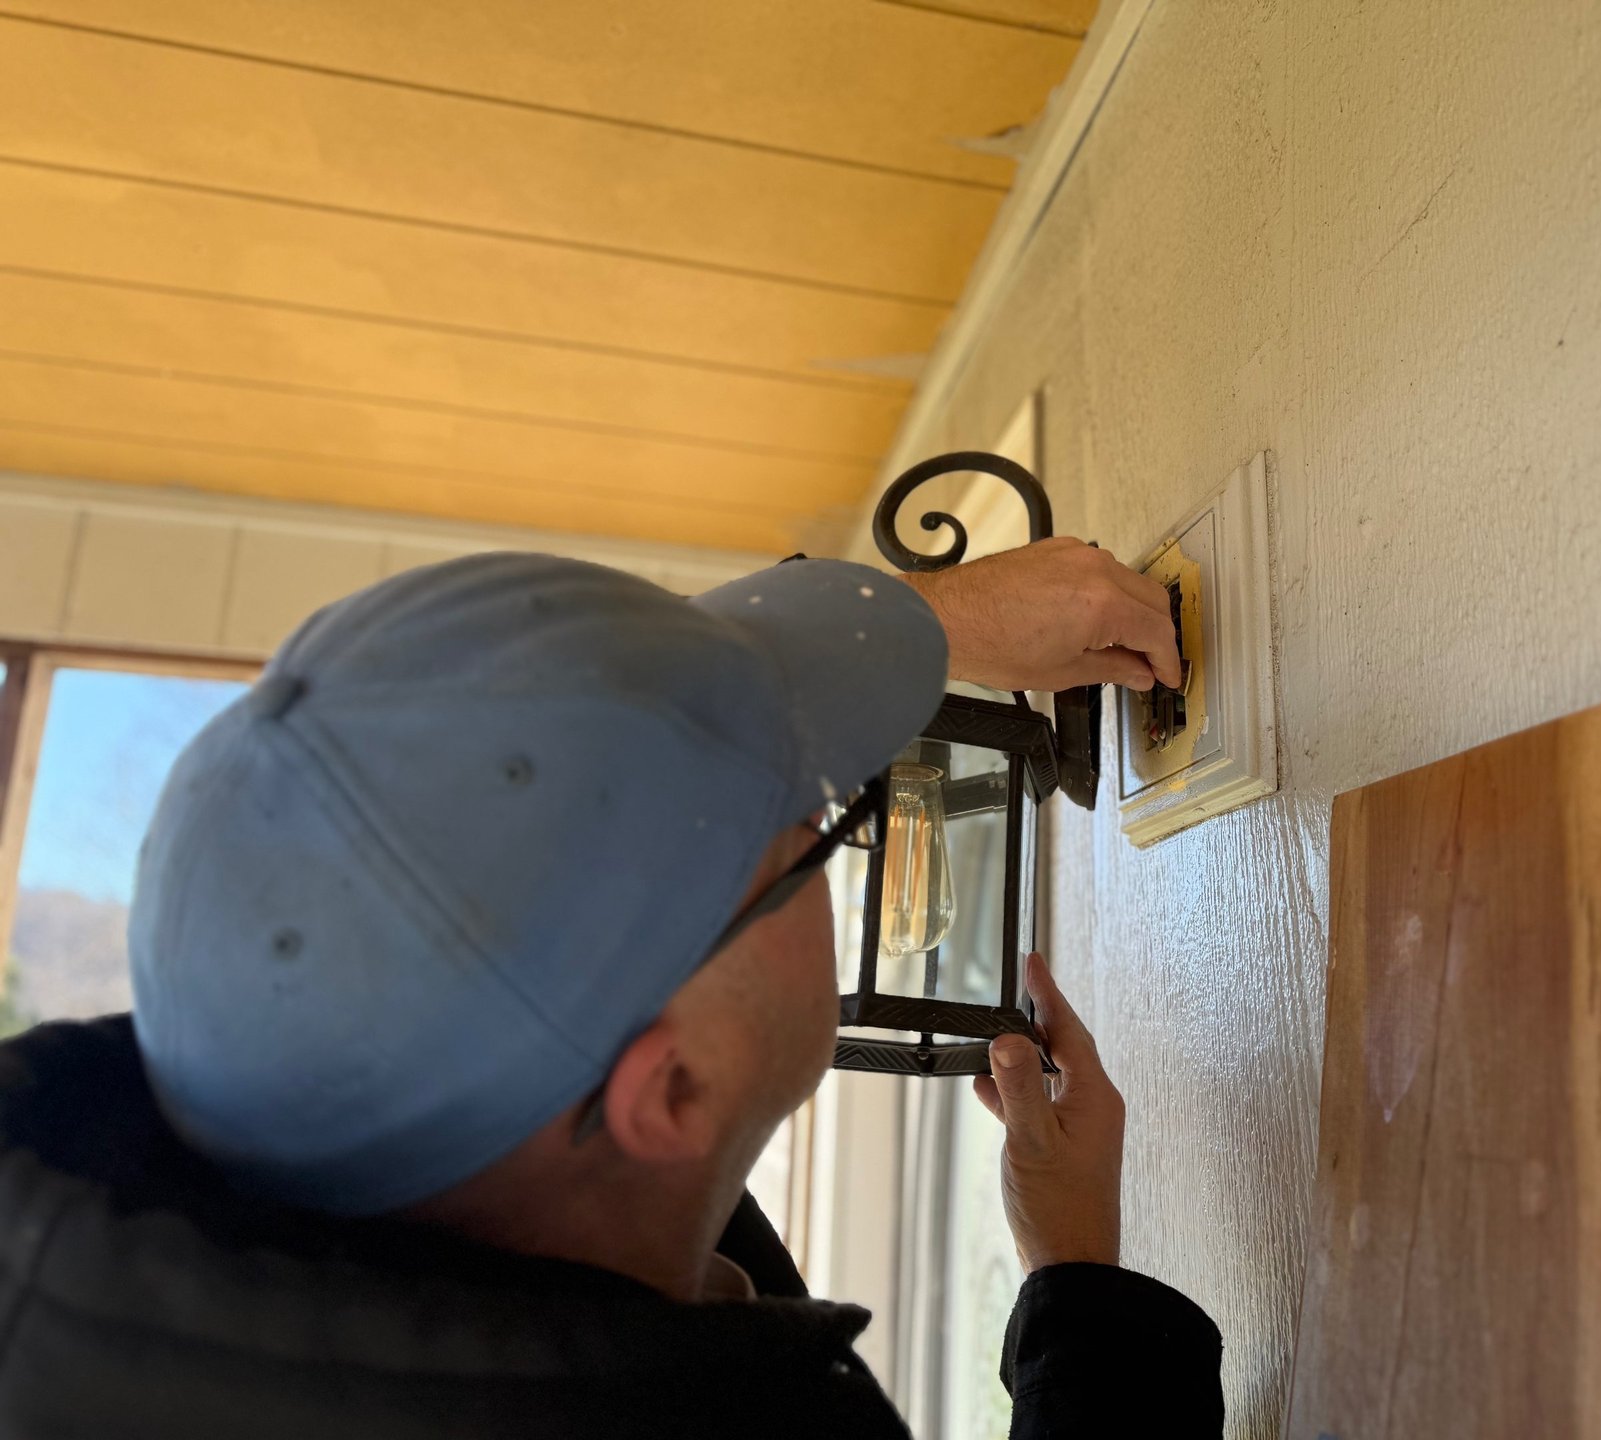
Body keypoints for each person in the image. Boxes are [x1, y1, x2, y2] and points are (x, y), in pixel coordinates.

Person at [0, 539, 1225, 1438]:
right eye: (808, 827)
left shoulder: (414, 1152)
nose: (825, 821)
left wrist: (930, 616)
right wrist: (1087, 1299)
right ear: (671, 1085)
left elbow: (562, 781)